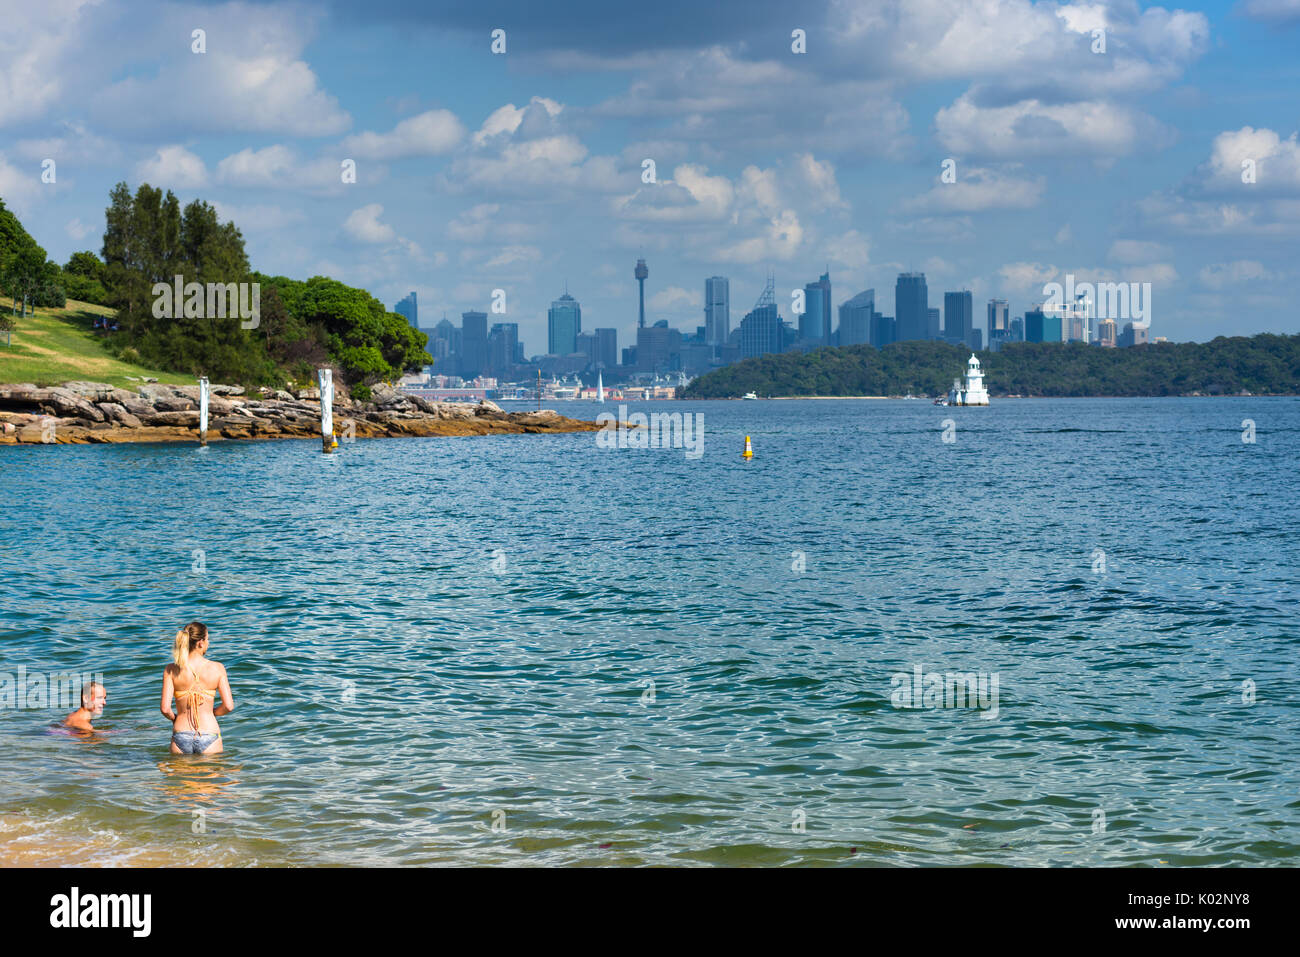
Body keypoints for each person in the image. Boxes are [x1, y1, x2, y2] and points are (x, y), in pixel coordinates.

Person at [161, 622, 234, 754]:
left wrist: (175, 718)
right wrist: (211, 713)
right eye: (207, 639)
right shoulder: (218, 668)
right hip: (209, 734)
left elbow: (165, 709)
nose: (208, 643)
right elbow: (228, 706)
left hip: (180, 735)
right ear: (200, 642)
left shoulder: (171, 669)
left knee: (180, 775)